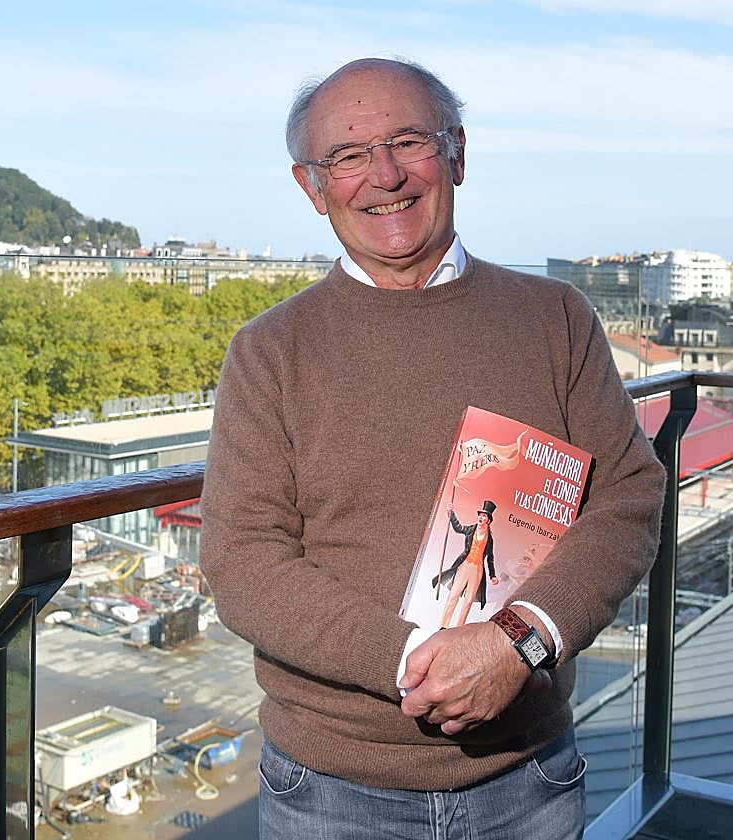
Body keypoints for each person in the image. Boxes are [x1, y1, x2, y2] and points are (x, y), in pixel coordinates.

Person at [200, 57, 665, 840]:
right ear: (312, 188)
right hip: (331, 792)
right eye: (347, 156)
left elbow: (630, 497)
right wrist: (430, 660)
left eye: (407, 141)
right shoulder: (268, 350)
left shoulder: (556, 317)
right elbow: (243, 561)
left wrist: (518, 644)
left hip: (531, 776)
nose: (383, 175)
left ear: (456, 153)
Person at [433, 500, 498, 628]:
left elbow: (490, 558)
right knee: (453, 595)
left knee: (468, 601)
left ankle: (458, 628)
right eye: (480, 514)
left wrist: (492, 575)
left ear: (488, 520)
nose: (481, 517)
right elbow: (459, 528)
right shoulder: (471, 529)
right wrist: (451, 514)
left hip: (477, 570)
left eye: (484, 516)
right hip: (465, 565)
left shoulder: (490, 539)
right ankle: (443, 626)